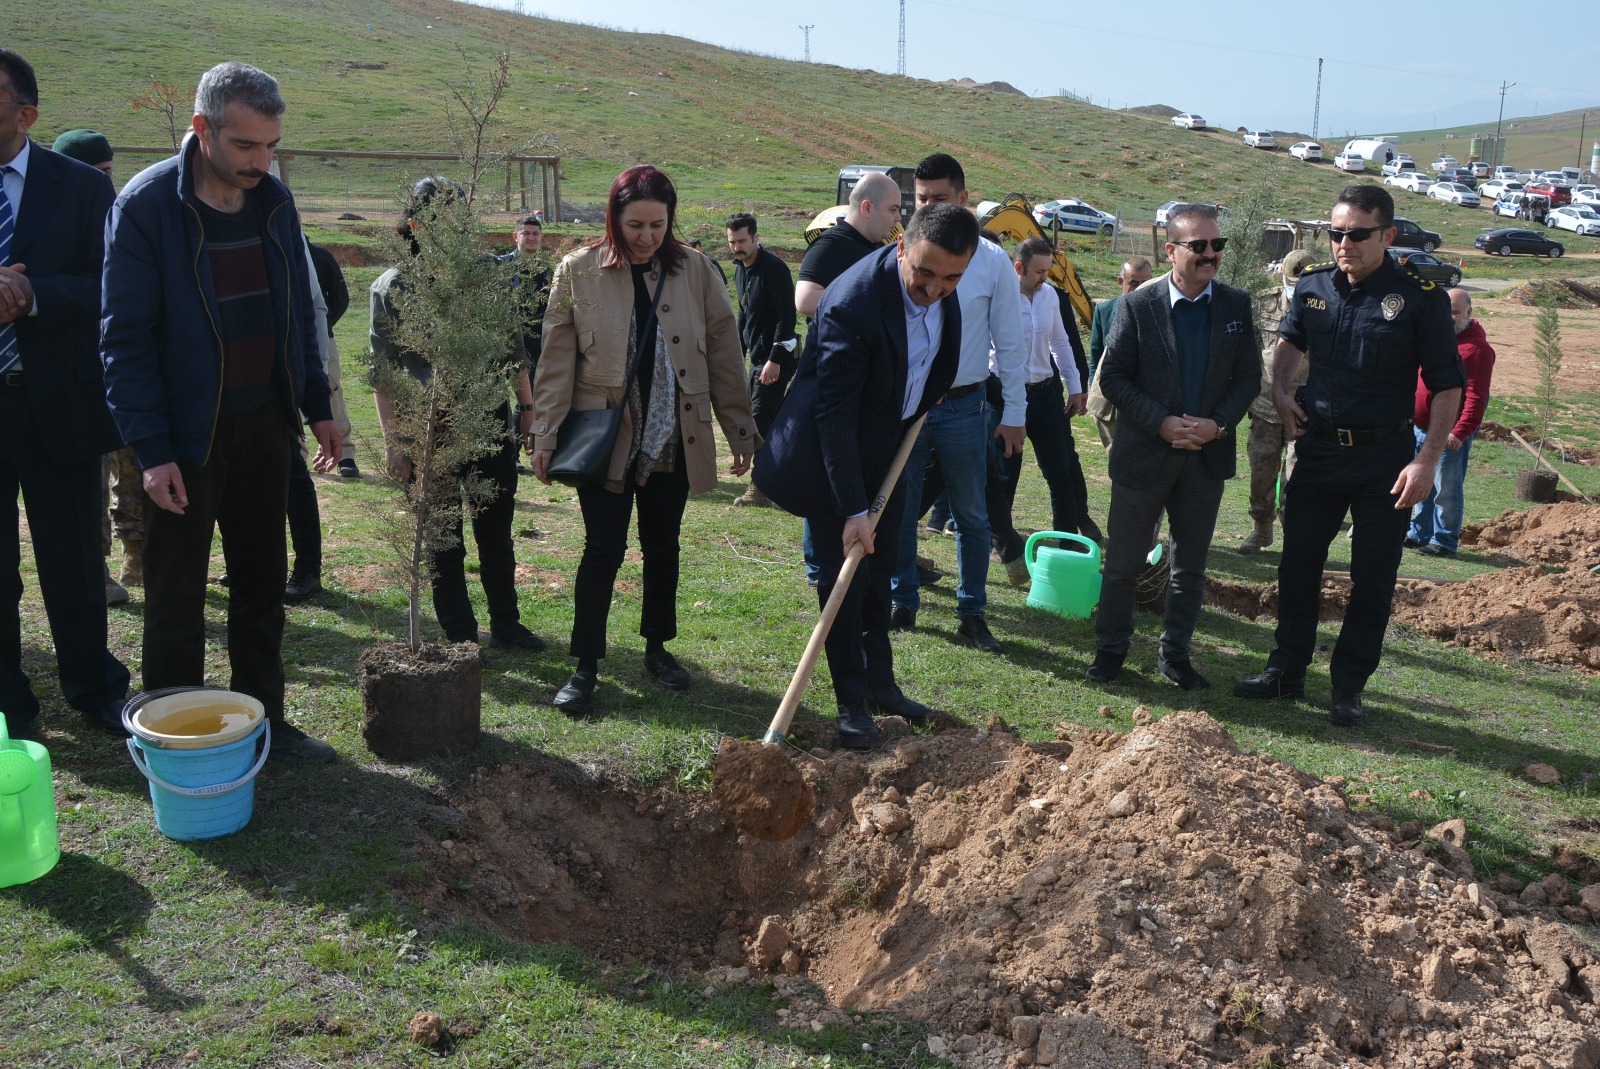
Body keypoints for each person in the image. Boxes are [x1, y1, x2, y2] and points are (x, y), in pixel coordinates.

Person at [101, 62, 341, 763]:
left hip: (264, 420)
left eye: (270, 146)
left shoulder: (272, 200)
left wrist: (317, 401)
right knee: (176, 595)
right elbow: (124, 340)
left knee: (263, 582)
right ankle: (178, 738)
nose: (260, 162)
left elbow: (295, 305)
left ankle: (266, 720)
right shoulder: (147, 206)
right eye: (245, 146)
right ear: (202, 129)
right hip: (184, 434)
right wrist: (151, 450)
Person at [530, 165, 757, 716]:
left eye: (658, 224)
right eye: (635, 224)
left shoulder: (698, 270)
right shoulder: (576, 271)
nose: (647, 236)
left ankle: (658, 648)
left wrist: (740, 427)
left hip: (675, 435)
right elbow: (556, 361)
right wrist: (544, 433)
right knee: (602, 548)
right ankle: (585, 663)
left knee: (662, 547)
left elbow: (726, 352)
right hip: (603, 436)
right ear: (614, 217)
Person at [1234, 184, 1463, 727]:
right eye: (1336, 233)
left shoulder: (1418, 298)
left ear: (1386, 234)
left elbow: (1447, 384)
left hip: (1385, 460)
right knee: (1297, 568)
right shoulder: (1314, 289)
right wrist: (1283, 391)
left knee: (1373, 576)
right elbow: (1290, 342)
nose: (1344, 243)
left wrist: (1427, 461)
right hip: (1318, 452)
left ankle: (1348, 685)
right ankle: (1285, 672)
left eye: (1357, 234)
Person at [755, 203, 976, 749]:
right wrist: (853, 508)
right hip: (831, 456)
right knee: (843, 579)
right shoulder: (852, 302)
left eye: (951, 277)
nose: (934, 289)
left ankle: (881, 685)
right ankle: (851, 702)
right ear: (902, 246)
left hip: (888, 448)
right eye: (924, 272)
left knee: (881, 573)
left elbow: (935, 359)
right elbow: (835, 418)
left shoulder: (945, 289)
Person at [0, 51, 130, 740]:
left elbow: (116, 286)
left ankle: (93, 685)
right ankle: (8, 703)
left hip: (57, 403)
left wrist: (33, 293)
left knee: (74, 560)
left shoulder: (81, 188)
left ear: (26, 113)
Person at [1086, 204, 1259, 690]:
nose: (1210, 255)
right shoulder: (1138, 306)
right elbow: (1114, 376)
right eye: (1199, 246)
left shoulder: (1234, 304)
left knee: (1189, 568)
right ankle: (1111, 651)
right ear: (1171, 250)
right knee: (1122, 564)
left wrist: (1218, 424)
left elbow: (1248, 378)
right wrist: (1159, 421)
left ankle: (1175, 656)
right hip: (1144, 454)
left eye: (1217, 246)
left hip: (1204, 459)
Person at [370, 176, 545, 652]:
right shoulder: (393, 288)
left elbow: (512, 347)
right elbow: (382, 374)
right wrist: (394, 443)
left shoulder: (487, 273)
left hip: (490, 419)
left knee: (496, 530)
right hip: (429, 432)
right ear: (414, 225)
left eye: (459, 219)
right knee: (443, 539)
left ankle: (506, 623)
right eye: (441, 220)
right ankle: (460, 635)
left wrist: (526, 408)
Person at [888, 153, 1025, 653]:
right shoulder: (903, 256)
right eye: (920, 200)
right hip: (908, 408)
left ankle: (972, 612)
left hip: (966, 407)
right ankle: (902, 598)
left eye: (938, 199)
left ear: (963, 199)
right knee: (900, 510)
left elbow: (1011, 343)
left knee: (971, 513)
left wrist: (1014, 413)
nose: (927, 209)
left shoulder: (991, 265)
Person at [794, 170, 903, 586]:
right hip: (831, 378)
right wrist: (865, 309)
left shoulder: (878, 249)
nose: (897, 219)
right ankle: (818, 564)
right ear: (867, 206)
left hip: (866, 384)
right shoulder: (834, 244)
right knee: (825, 476)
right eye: (892, 209)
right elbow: (804, 299)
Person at [50, 128, 143, 604]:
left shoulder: (128, 215)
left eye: (108, 172)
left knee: (137, 467)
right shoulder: (52, 221)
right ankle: (98, 569)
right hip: (79, 374)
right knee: (91, 479)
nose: (102, 182)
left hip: (126, 368)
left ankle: (139, 558)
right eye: (93, 173)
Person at [988, 237, 1085, 585]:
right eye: (1040, 272)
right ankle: (1001, 542)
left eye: (1049, 270)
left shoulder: (1052, 298)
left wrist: (1075, 386)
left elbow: (1060, 342)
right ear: (1019, 268)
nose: (1046, 277)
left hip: (1045, 396)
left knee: (1060, 471)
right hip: (1004, 394)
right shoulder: (998, 298)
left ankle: (1066, 542)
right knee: (1005, 473)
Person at [1238, 249, 1316, 555]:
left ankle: (1293, 538)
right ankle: (1261, 529)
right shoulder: (1263, 302)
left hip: (1304, 409)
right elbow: (1249, 349)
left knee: (1296, 480)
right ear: (1282, 276)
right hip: (1265, 406)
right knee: (1261, 475)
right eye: (1292, 280)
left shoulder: (1325, 306)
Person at [1407, 287, 1494, 558]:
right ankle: (1419, 532)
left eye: (1454, 312)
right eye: (1444, 312)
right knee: (1424, 482)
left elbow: (1477, 398)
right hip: (1421, 428)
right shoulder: (1436, 340)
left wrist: (1460, 431)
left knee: (1446, 489)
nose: (1448, 318)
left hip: (1448, 433)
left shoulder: (1477, 350)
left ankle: (1444, 540)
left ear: (1469, 313)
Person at [725, 212, 797, 507]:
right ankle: (782, 481)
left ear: (756, 238)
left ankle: (760, 488)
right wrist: (737, 354)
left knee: (760, 422)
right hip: (756, 358)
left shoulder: (774, 269)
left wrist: (775, 359)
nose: (737, 247)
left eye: (743, 241)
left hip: (775, 360)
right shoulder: (741, 269)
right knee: (771, 422)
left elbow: (786, 318)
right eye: (732, 242)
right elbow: (745, 314)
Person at [1087, 256, 1153, 450]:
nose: (1140, 288)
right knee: (1116, 458)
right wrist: (1094, 392)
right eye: (1134, 283)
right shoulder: (1105, 310)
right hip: (1111, 403)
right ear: (1121, 282)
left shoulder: (1161, 311)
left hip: (1146, 400)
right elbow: (1096, 354)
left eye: (1146, 282)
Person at [306, 241, 359, 478]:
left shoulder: (319, 256)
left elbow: (340, 298)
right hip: (282, 343)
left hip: (323, 340)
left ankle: (345, 453)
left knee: (332, 393)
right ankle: (296, 453)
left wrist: (323, 327)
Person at [499, 213, 552, 379]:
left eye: (535, 234)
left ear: (541, 237)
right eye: (525, 233)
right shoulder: (501, 267)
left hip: (537, 343)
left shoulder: (546, 271)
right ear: (515, 236)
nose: (531, 238)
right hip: (506, 341)